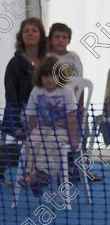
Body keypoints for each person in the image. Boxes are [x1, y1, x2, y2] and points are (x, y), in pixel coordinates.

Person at [21, 56, 79, 195]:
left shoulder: (67, 91)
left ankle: (36, 176)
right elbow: (32, 116)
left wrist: (74, 139)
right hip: (43, 128)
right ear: (39, 77)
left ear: (60, 76)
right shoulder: (36, 91)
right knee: (33, 141)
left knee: (51, 141)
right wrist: (30, 134)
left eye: (53, 75)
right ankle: (34, 176)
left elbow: (71, 117)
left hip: (63, 130)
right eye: (45, 76)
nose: (49, 79)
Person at [0, 17, 47, 184]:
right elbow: (11, 97)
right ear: (21, 37)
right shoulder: (14, 64)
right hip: (21, 115)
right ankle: (35, 174)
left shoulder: (48, 61)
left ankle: (51, 171)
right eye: (26, 31)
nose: (30, 33)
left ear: (41, 36)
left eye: (34, 30)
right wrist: (16, 125)